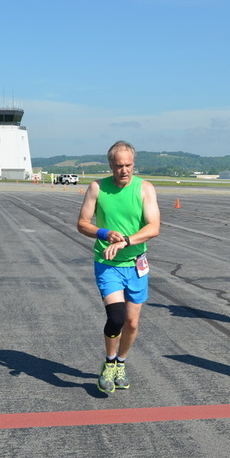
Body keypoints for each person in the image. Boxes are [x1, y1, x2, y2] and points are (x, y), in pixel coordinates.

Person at [77, 141, 161, 393]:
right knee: (116, 317)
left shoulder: (145, 188)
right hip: (107, 264)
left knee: (132, 324)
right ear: (110, 165)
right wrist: (104, 232)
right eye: (119, 166)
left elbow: (153, 227)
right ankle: (109, 363)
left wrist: (126, 240)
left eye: (128, 165)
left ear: (133, 164)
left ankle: (121, 363)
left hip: (135, 264)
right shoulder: (97, 188)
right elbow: (82, 223)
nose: (124, 170)